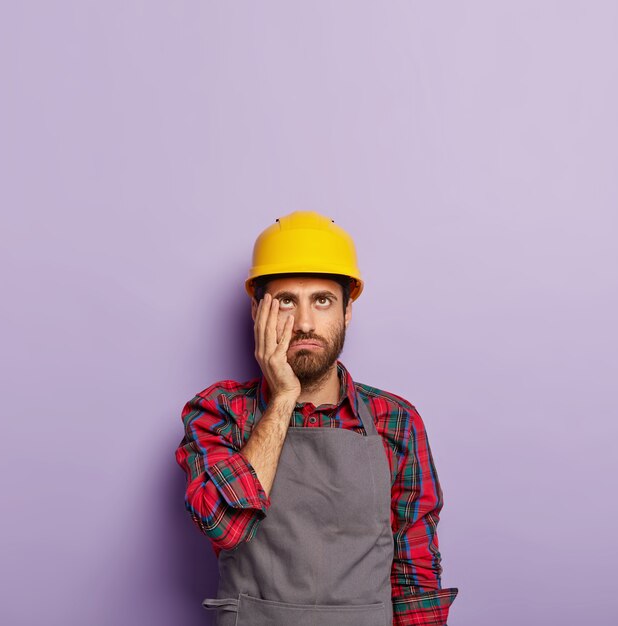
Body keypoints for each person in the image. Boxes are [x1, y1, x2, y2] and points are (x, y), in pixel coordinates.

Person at [175, 211, 458, 625]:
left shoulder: (394, 420)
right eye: (286, 300)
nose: (304, 322)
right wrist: (283, 397)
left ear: (346, 312)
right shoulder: (220, 411)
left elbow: (414, 576)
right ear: (257, 312)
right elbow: (226, 526)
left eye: (322, 300)